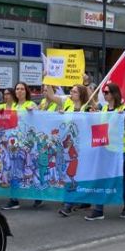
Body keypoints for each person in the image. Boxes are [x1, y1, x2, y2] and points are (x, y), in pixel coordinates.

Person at [86, 83, 125, 220]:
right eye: (104, 92)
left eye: (107, 92)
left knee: (118, 179)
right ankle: (99, 210)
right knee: (103, 177)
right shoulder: (104, 109)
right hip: (106, 150)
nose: (105, 94)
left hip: (121, 151)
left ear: (114, 94)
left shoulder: (123, 109)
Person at [45, 84, 95, 216]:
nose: (71, 93)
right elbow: (51, 96)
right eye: (71, 91)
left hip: (84, 147)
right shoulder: (67, 104)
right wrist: (48, 80)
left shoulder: (87, 108)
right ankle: (72, 202)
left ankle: (70, 204)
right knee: (70, 174)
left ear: (81, 94)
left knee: (79, 174)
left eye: (74, 92)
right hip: (69, 147)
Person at [1, 82, 41, 210]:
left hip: (27, 145)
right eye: (17, 89)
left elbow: (39, 118)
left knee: (30, 169)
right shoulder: (12, 106)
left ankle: (38, 195)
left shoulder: (31, 104)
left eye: (22, 89)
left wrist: (32, 111)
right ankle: (14, 199)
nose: (19, 91)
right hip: (14, 144)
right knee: (14, 171)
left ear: (26, 91)